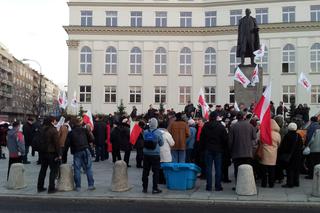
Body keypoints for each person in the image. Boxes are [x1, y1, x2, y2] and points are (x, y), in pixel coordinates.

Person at [200, 111, 228, 191]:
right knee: (218, 168)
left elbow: (202, 138)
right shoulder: (220, 126)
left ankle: (208, 186)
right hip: (218, 149)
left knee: (208, 168)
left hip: (208, 149)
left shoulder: (205, 126)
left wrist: (202, 148)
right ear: (216, 117)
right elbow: (225, 139)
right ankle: (218, 186)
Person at [68, 117, 95, 191]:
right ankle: (91, 185)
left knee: (77, 169)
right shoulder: (84, 130)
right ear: (80, 123)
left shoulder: (71, 132)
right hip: (85, 149)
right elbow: (91, 139)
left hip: (76, 151)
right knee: (88, 168)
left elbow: (68, 143)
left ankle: (78, 187)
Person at [228, 111, 257, 180]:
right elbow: (254, 138)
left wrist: (230, 151)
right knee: (248, 171)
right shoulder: (250, 126)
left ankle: (238, 186)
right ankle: (248, 185)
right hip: (248, 152)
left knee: (237, 171)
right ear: (244, 117)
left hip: (237, 153)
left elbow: (230, 141)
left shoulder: (233, 127)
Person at [37, 116, 60, 193]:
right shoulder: (53, 130)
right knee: (53, 170)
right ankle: (51, 188)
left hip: (42, 152)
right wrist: (59, 154)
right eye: (55, 120)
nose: (56, 122)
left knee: (43, 170)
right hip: (51, 153)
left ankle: (40, 187)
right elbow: (57, 143)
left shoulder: (41, 129)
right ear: (51, 121)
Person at [142, 118, 164, 194]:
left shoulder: (145, 132)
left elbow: (143, 140)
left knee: (145, 171)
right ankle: (155, 188)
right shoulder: (158, 132)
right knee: (156, 172)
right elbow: (161, 143)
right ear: (156, 124)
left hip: (146, 154)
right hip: (155, 155)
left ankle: (144, 188)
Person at [279, 123, 303, 188]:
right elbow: (301, 145)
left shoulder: (287, 136)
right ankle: (296, 182)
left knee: (290, 169)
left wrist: (281, 153)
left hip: (289, 155)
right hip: (297, 155)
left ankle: (290, 183)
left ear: (289, 128)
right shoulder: (298, 135)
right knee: (296, 169)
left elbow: (284, 147)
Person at [259, 119, 281, 188]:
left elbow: (260, 141)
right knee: (272, 170)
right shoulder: (277, 134)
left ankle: (264, 184)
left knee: (264, 170)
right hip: (273, 153)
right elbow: (279, 143)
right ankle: (271, 184)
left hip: (265, 152)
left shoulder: (264, 133)